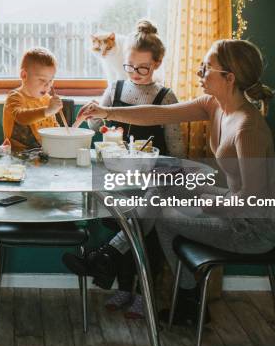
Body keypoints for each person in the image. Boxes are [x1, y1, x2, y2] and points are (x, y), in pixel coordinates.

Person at [73, 38, 275, 325]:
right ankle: (110, 255)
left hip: (253, 227)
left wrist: (202, 203)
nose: (200, 72)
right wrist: (106, 112)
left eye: (207, 67)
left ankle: (187, 301)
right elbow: (159, 114)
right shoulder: (214, 105)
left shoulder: (248, 128)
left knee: (164, 217)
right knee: (163, 182)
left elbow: (251, 201)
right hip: (233, 206)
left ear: (229, 78)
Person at [65, 20, 185, 319]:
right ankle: (124, 287)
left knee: (148, 239)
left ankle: (146, 294)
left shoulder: (166, 97)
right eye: (130, 66)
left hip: (152, 181)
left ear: (157, 64)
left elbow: (177, 149)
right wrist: (93, 113)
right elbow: (96, 127)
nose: (134, 73)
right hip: (117, 178)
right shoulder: (115, 88)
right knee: (122, 226)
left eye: (142, 68)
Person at [2, 47, 63, 152]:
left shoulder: (47, 99)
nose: (47, 85)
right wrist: (48, 111)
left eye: (51, 80)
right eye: (42, 80)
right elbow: (20, 117)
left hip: (44, 154)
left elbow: (54, 128)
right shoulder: (15, 97)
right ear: (24, 75)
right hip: (17, 157)